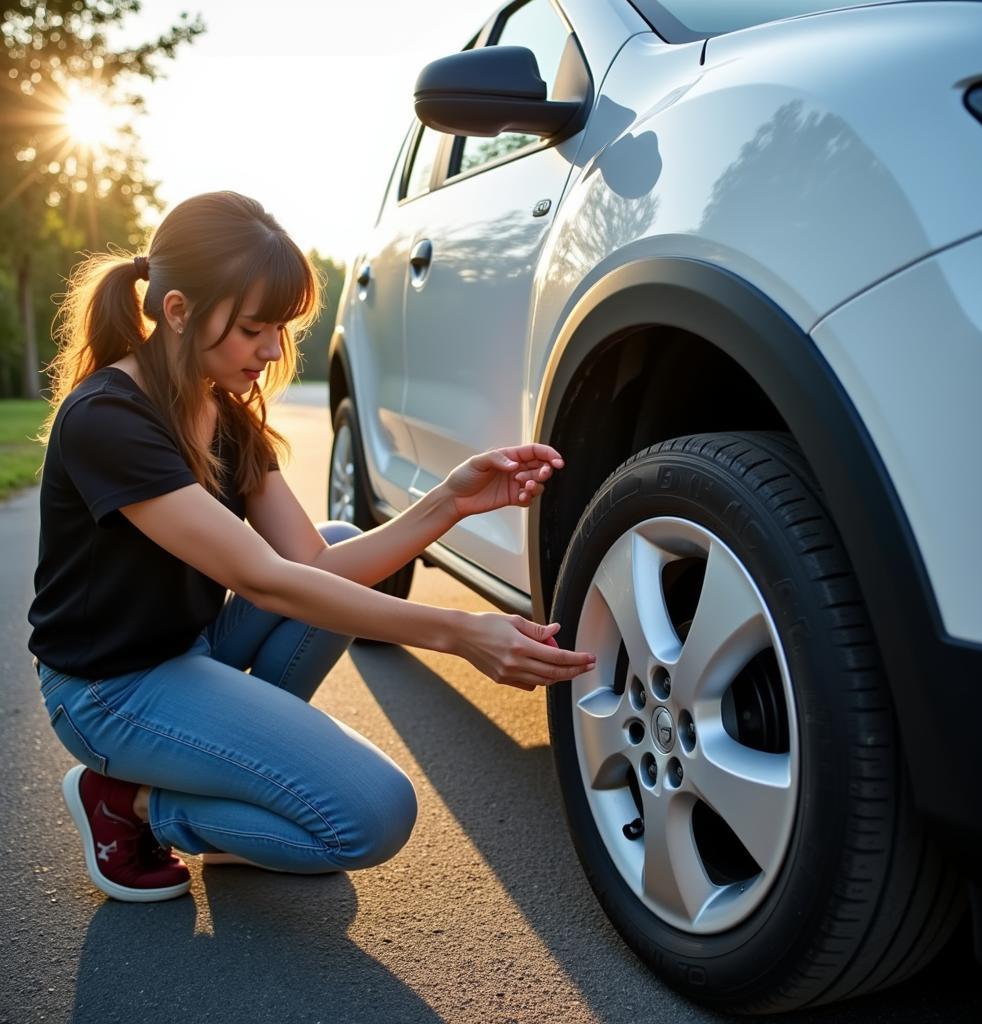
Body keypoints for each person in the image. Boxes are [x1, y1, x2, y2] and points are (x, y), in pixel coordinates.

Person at [28, 191, 596, 903]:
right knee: (372, 815)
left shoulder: (224, 413)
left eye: (280, 328)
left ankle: (225, 782)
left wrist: (450, 500)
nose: (271, 351)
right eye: (253, 328)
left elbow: (316, 567)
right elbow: (264, 582)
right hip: (109, 691)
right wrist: (458, 633)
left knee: (336, 537)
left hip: (190, 654)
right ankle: (132, 804)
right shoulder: (108, 418)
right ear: (177, 311)